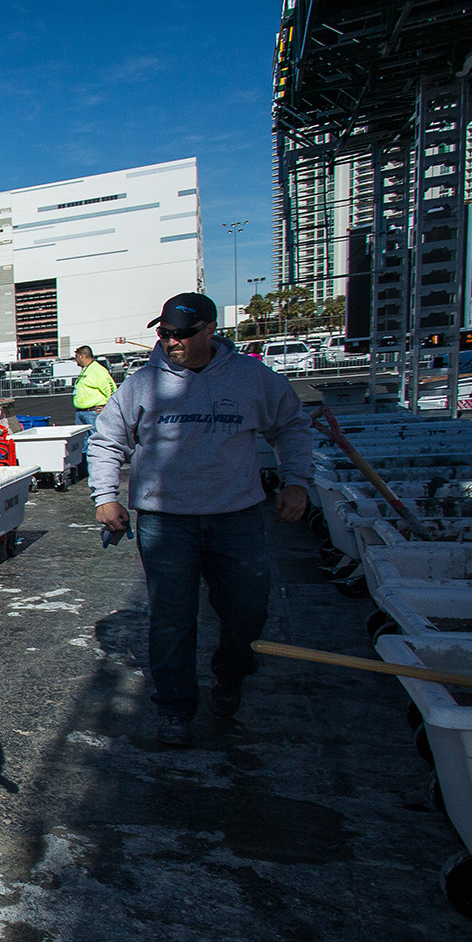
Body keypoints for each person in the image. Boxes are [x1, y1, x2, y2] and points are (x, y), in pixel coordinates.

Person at [87, 292, 313, 747]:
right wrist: (105, 496)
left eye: (182, 334)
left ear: (210, 331)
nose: (171, 342)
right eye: (164, 333)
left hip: (238, 517)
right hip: (166, 522)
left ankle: (231, 675)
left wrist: (296, 482)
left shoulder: (251, 378)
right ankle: (174, 707)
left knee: (247, 611)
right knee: (172, 617)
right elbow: (107, 440)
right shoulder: (140, 385)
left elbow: (292, 425)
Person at [73, 345, 116, 425]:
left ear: (82, 356)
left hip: (92, 413)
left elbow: (111, 389)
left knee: (96, 436)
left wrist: (108, 408)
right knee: (81, 437)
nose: (76, 360)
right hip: (81, 412)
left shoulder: (98, 370)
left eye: (77, 357)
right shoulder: (86, 370)